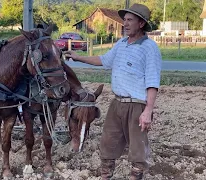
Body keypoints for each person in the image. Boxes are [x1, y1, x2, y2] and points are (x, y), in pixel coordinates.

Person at [64, 3, 162, 180]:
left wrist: (148, 111)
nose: (125, 23)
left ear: (141, 24)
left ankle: (135, 176)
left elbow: (153, 82)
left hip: (137, 105)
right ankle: (105, 176)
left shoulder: (149, 48)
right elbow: (103, 60)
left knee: (137, 150)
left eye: (130, 20)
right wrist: (78, 57)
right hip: (117, 103)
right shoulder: (121, 43)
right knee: (108, 144)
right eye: (124, 20)